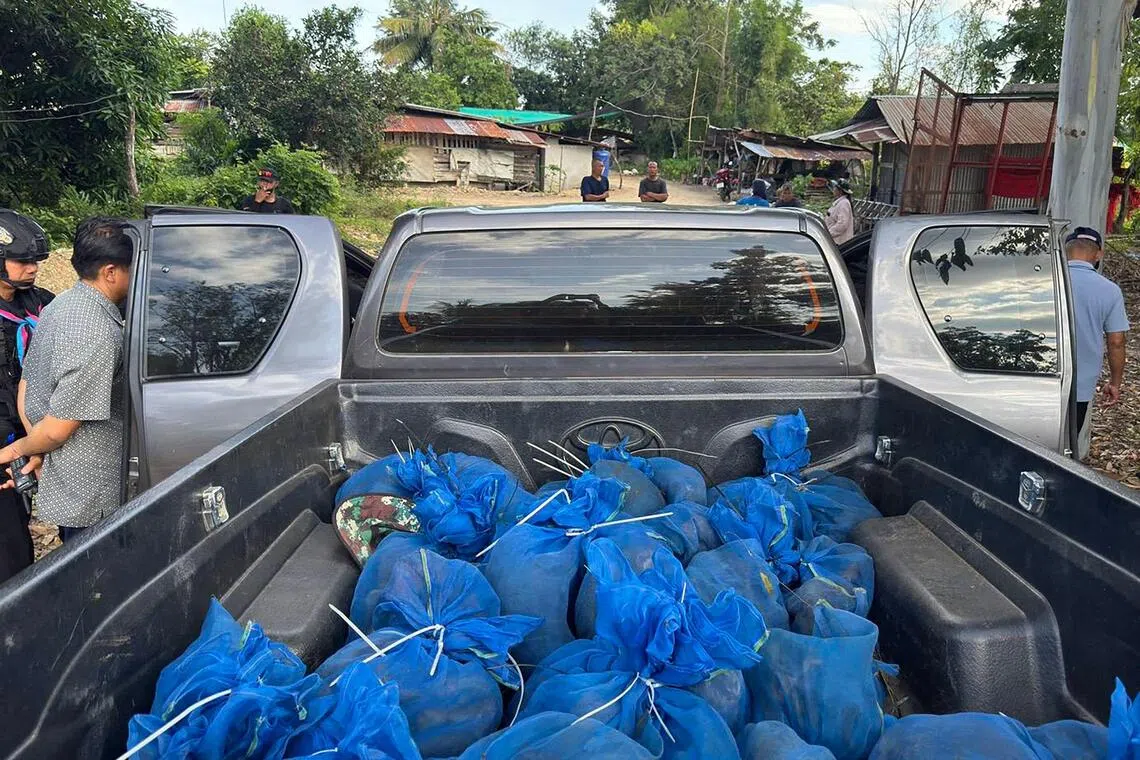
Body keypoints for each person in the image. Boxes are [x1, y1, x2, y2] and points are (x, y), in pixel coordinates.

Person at [0, 217, 134, 543]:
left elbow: (26, 385)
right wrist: (20, 448)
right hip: (89, 493)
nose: (32, 268)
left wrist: (36, 444)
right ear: (111, 272)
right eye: (133, 268)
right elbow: (60, 427)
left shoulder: (58, 304)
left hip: (65, 474)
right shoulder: (96, 330)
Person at [0, 211, 53, 582]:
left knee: (20, 527)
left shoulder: (41, 303)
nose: (32, 268)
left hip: (30, 435)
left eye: (35, 261)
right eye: (22, 260)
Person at [1066, 226, 1129, 451]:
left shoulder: (1046, 282)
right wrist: (1115, 383)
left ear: (1066, 251)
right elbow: (1116, 342)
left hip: (1039, 377)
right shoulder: (1110, 291)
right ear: (1098, 254)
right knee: (1067, 444)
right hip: (1079, 384)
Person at [825, 178, 855, 244]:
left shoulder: (844, 203)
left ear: (840, 191)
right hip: (835, 241)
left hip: (840, 242)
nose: (833, 190)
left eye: (835, 188)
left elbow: (842, 224)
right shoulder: (839, 203)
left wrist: (828, 233)